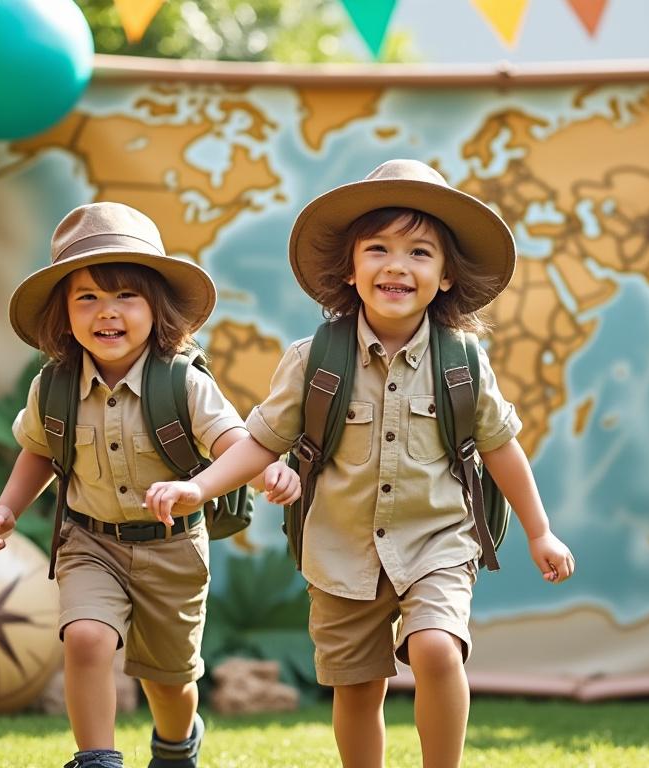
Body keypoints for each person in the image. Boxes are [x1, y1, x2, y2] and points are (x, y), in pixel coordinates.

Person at [145, 160, 576, 768]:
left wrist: (540, 531)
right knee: (356, 685)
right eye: (378, 249)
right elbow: (262, 441)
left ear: (446, 276)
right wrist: (200, 487)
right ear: (350, 269)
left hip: (438, 539)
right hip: (340, 546)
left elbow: (503, 446)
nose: (397, 265)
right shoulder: (314, 359)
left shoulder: (463, 363)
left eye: (420, 252)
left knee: (435, 649)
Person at [0, 202, 299, 768]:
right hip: (89, 542)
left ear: (157, 307)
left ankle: (177, 742)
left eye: (126, 295)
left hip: (172, 550)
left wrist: (267, 467)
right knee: (86, 638)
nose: (107, 312)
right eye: (88, 298)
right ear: (64, 315)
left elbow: (237, 445)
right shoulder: (52, 387)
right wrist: (6, 510)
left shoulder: (183, 384)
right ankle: (97, 759)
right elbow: (37, 452)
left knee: (168, 683)